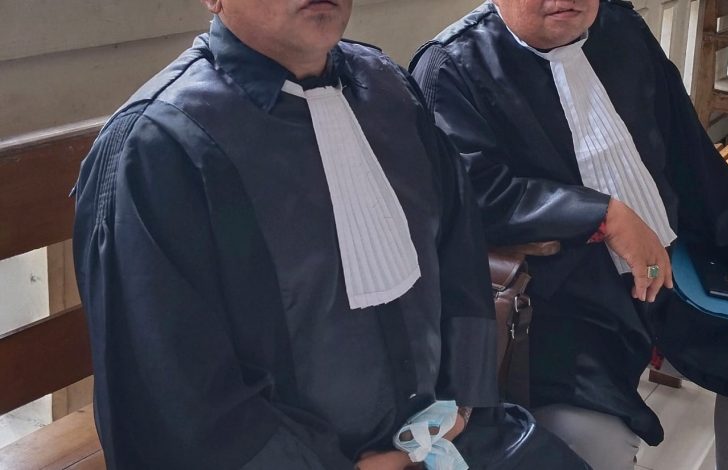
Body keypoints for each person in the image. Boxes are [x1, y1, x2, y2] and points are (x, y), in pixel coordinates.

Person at [72, 0, 592, 468]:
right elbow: (175, 397)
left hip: (445, 433)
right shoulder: (160, 147)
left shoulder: (388, 88)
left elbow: (457, 253)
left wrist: (463, 406)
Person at [410, 0, 728, 469]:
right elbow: (472, 194)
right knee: (594, 443)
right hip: (565, 300)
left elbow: (688, 148)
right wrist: (601, 215)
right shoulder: (450, 67)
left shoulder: (621, 27)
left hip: (674, 269)